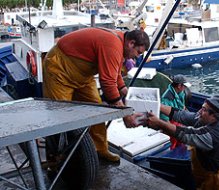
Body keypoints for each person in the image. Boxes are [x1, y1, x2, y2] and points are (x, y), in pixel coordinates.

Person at [42, 28, 150, 162]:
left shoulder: (121, 45)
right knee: (59, 117)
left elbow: (114, 72)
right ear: (131, 43)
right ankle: (54, 162)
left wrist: (124, 90)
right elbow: (108, 83)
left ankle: (100, 149)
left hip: (83, 76)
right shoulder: (113, 44)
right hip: (59, 70)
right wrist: (126, 116)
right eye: (138, 52)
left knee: (97, 110)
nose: (137, 56)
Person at [146, 95, 219, 189]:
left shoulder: (212, 135)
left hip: (215, 176)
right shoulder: (202, 119)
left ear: (213, 116)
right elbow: (182, 115)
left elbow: (185, 135)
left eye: (204, 109)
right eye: (201, 107)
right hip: (202, 169)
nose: (199, 112)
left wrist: (159, 123)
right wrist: (158, 106)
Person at [160, 74, 191, 149]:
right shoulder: (166, 98)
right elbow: (165, 119)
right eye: (184, 85)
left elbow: (183, 107)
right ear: (179, 86)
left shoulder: (181, 93)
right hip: (171, 122)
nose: (185, 87)